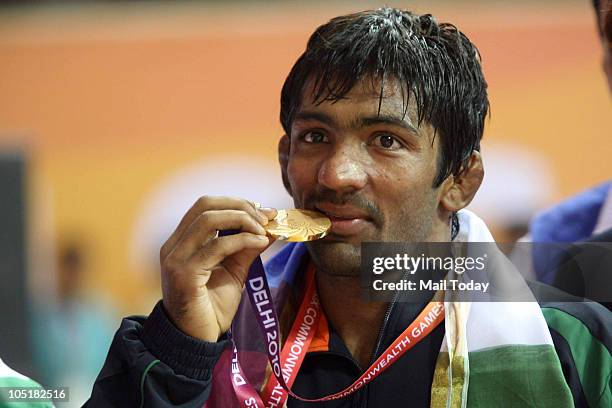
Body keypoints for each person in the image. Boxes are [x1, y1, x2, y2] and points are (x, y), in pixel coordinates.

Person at [86, 8, 611, 407]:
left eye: (385, 140)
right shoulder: (210, 342)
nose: (336, 175)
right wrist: (180, 352)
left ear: (459, 180)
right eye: (315, 136)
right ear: (284, 158)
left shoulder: (575, 347)